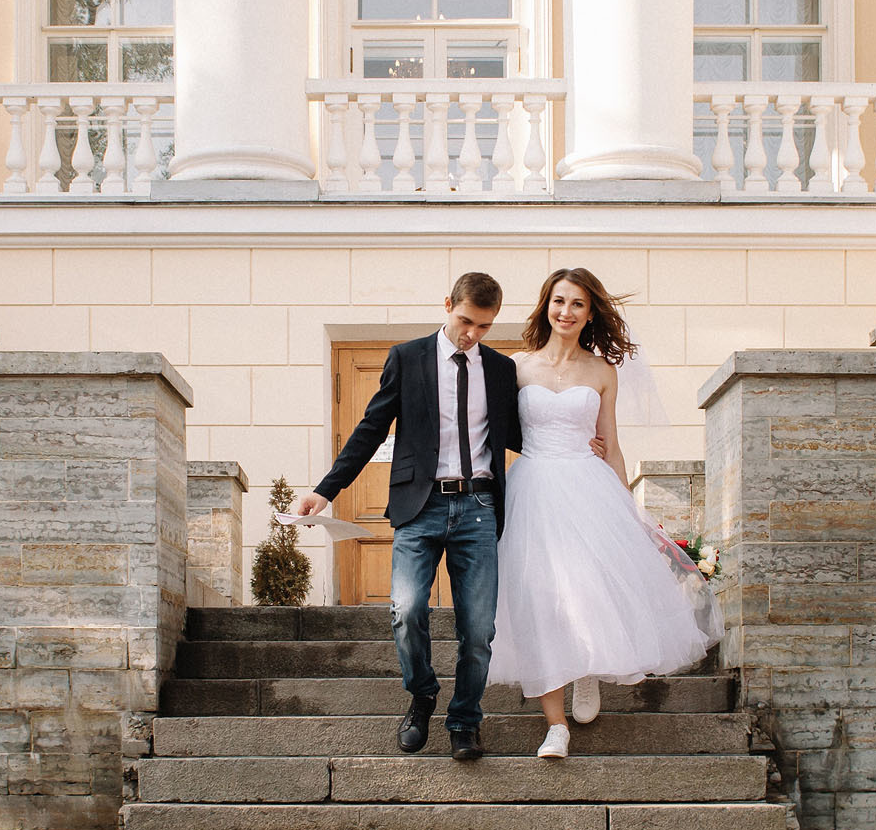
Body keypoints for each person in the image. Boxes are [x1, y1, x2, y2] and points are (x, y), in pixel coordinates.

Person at [488, 267, 720, 759]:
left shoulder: (600, 372)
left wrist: (628, 509)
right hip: (533, 487)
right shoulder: (517, 366)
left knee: (591, 589)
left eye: (576, 304)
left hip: (587, 485)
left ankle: (586, 669)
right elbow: (493, 432)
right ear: (545, 306)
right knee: (539, 600)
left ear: (590, 313)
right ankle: (555, 727)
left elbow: (611, 446)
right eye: (558, 301)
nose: (565, 312)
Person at [294, 273, 523, 761]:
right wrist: (325, 490)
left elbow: (521, 434)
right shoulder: (408, 357)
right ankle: (422, 695)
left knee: (479, 629)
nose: (471, 334)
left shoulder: (501, 370)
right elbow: (371, 428)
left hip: (479, 507)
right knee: (406, 609)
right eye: (465, 321)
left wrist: (580, 446)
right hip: (419, 507)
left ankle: (465, 720)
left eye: (483, 326)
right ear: (447, 305)